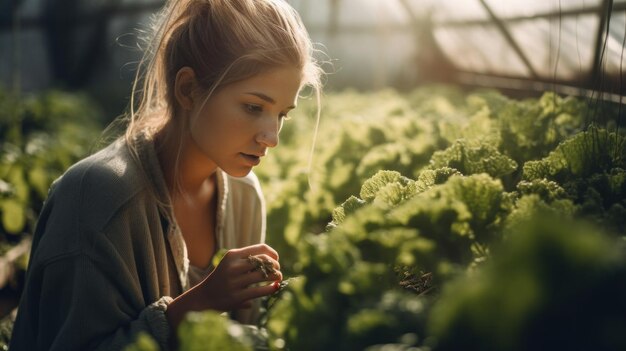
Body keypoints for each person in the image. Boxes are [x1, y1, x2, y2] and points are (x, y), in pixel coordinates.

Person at [9, 0, 323, 349]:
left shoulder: (245, 195)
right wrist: (196, 306)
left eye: (282, 114)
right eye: (253, 107)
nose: (272, 137)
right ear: (188, 88)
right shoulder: (96, 197)